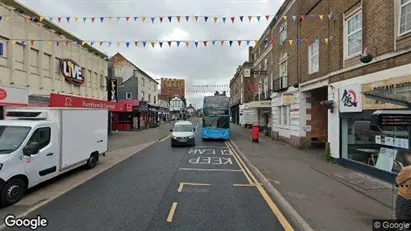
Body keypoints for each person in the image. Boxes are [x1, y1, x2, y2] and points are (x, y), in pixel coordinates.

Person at [395, 152, 411, 220]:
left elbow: (398, 180)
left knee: (401, 217)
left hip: (406, 198)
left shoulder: (408, 169)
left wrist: (402, 169)